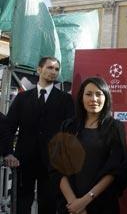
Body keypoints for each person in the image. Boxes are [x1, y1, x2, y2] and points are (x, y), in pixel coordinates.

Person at [0, 56, 74, 214]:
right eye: (49, 67)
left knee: (49, 203)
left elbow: (70, 132)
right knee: (21, 203)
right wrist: (8, 153)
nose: (53, 72)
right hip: (23, 161)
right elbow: (8, 127)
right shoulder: (22, 98)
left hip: (52, 163)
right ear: (39, 69)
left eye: (56, 69)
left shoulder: (66, 100)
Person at [51, 77, 127, 214]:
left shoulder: (115, 128)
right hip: (70, 206)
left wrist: (85, 201)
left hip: (101, 204)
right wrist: (74, 203)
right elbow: (58, 168)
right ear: (81, 98)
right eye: (88, 94)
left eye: (98, 94)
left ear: (106, 97)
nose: (93, 99)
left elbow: (115, 170)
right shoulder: (68, 126)